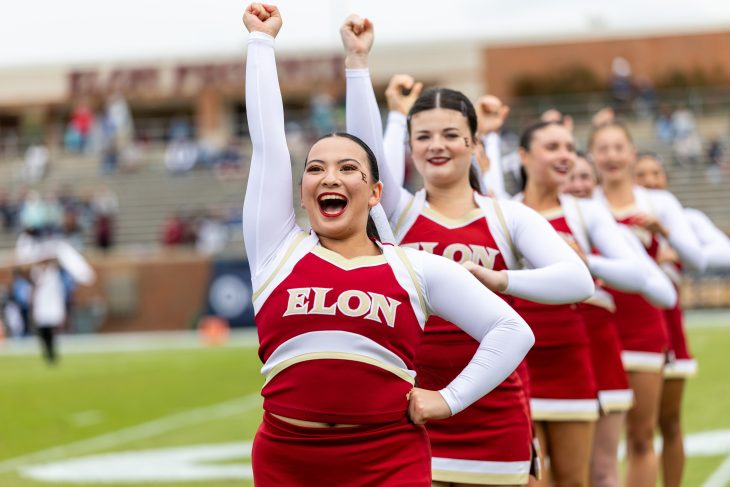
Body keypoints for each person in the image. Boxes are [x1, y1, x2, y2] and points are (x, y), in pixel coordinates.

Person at [242, 5, 535, 486]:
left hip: (388, 460)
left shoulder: (415, 268)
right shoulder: (277, 252)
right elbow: (269, 145)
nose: (328, 177)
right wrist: (261, 44)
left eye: (348, 169)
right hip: (287, 460)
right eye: (315, 169)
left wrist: (448, 398)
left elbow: (511, 330)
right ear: (301, 188)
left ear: (376, 192)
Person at [346, 44, 597, 486]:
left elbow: (579, 280)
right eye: (423, 136)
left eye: (449, 134)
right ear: (409, 147)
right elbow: (363, 148)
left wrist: (500, 279)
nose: (436, 146)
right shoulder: (397, 211)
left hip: (496, 413)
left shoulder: (507, 216)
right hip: (414, 410)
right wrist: (357, 63)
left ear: (473, 143)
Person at [515, 121, 677, 487]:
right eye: (552, 147)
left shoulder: (586, 212)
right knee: (529, 476)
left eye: (569, 148)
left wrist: (586, 261)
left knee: (582, 475)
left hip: (574, 353)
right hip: (521, 356)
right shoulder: (505, 210)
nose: (564, 156)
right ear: (523, 156)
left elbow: (639, 275)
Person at [588, 121, 705, 487]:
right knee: (595, 442)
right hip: (595, 330)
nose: (611, 156)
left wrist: (663, 233)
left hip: (644, 328)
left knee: (642, 435)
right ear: (592, 156)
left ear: (631, 153)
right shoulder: (583, 204)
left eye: (618, 147)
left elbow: (697, 260)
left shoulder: (658, 202)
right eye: (602, 149)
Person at [564, 152, 677, 486]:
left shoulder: (611, 226)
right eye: (571, 176)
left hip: (623, 335)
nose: (579, 185)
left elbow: (661, 289)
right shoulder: (528, 218)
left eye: (586, 177)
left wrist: (590, 262)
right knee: (564, 462)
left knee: (629, 443)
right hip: (562, 346)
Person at [633, 152, 730, 487]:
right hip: (628, 329)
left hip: (669, 327)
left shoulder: (684, 219)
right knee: (634, 429)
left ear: (666, 180)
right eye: (641, 174)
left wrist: (674, 241)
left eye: (655, 173)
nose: (649, 181)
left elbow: (723, 252)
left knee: (670, 421)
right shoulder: (616, 219)